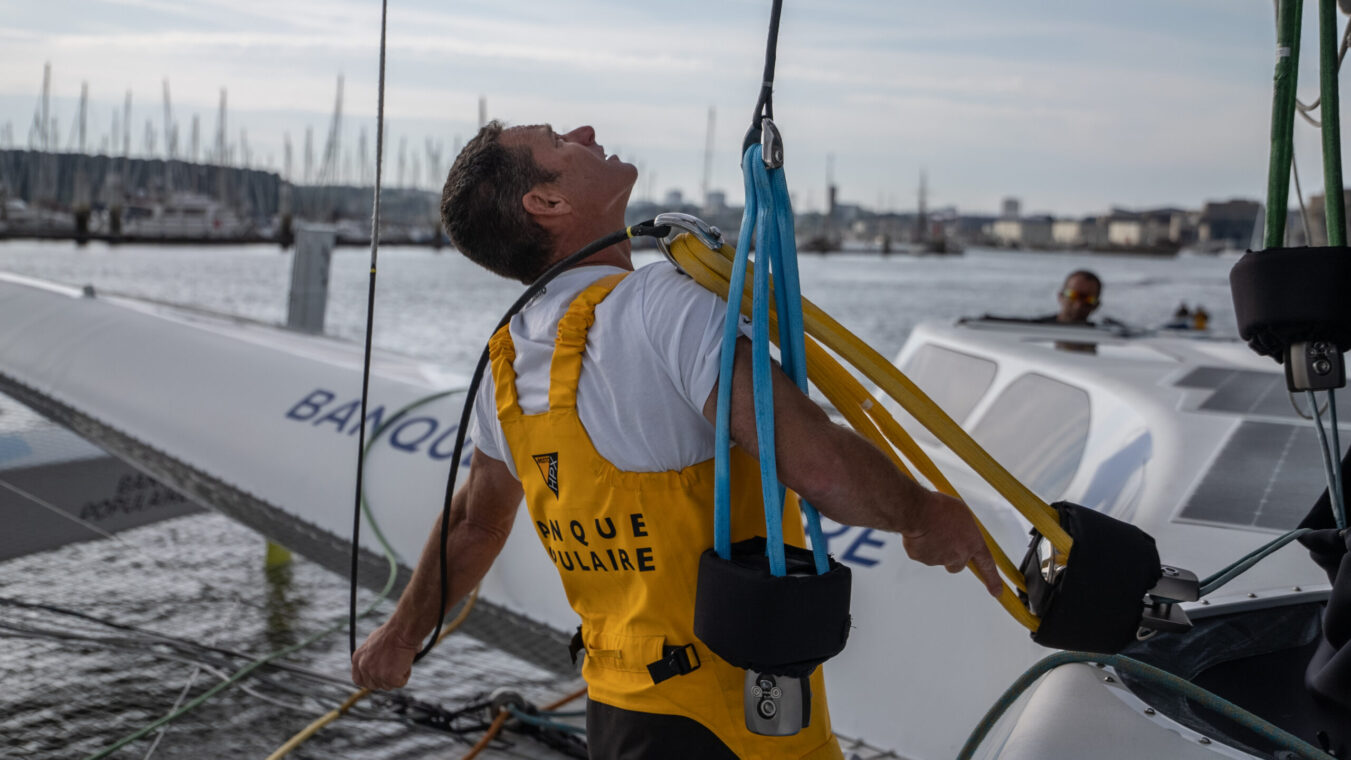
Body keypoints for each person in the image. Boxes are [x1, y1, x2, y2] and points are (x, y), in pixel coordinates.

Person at [351, 121, 1002, 759]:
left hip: (617, 709)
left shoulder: (506, 357)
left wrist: (400, 637)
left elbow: (472, 524)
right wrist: (920, 515)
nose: (583, 131)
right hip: (731, 722)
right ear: (546, 203)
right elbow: (816, 465)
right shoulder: (660, 303)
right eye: (556, 141)